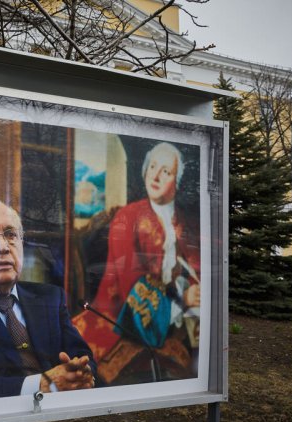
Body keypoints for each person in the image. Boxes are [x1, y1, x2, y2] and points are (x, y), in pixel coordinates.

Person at [0, 198, 96, 404]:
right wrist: (44, 385)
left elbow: (83, 357)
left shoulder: (50, 298)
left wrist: (80, 373)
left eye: (11, 235)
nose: (2, 247)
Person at [73, 142, 201, 385]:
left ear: (177, 181)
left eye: (166, 171)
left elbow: (197, 269)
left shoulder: (184, 222)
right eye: (152, 166)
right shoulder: (128, 217)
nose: (155, 175)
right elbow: (131, 292)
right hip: (121, 321)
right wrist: (183, 300)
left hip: (176, 323)